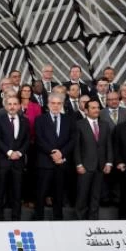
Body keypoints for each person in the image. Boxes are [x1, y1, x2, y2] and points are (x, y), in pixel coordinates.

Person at [33, 93, 73, 221]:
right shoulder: (40, 119)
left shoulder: (68, 119)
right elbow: (39, 139)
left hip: (61, 162)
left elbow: (72, 139)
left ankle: (58, 220)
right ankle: (38, 219)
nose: (56, 106)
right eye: (53, 103)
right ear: (48, 104)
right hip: (45, 162)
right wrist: (53, 153)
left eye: (58, 103)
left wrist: (61, 153)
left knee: (59, 194)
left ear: (62, 105)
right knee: (41, 193)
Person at [73, 100, 113, 220]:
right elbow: (76, 147)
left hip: (100, 166)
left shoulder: (105, 125)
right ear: (86, 110)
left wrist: (109, 162)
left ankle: (93, 221)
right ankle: (80, 220)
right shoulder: (79, 124)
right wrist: (78, 164)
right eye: (93, 108)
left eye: (98, 108)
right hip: (85, 166)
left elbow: (108, 145)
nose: (97, 110)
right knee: (82, 195)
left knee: (96, 196)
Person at [0, 95, 29, 221]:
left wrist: (19, 153)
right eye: (9, 104)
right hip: (3, 161)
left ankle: (16, 216)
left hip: (18, 161)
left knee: (17, 191)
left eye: (15, 104)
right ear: (5, 106)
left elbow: (27, 140)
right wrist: (9, 152)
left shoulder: (25, 121)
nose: (12, 106)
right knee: (0, 190)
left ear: (19, 106)